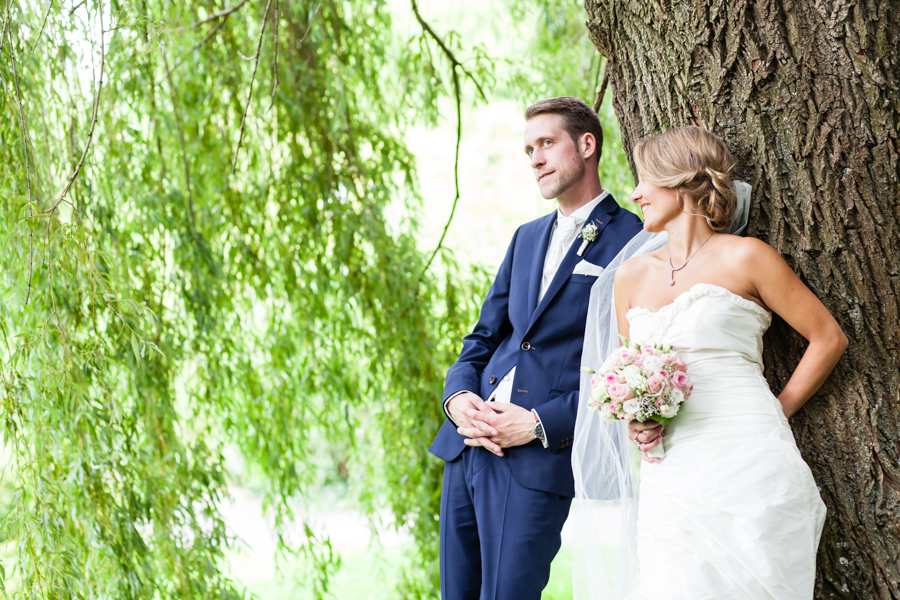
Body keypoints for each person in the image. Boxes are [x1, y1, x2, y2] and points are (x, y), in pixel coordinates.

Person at [576, 125, 847, 599]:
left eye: (645, 180)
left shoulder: (747, 258)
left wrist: (773, 411)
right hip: (672, 470)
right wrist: (636, 424)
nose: (635, 194)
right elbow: (627, 371)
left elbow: (828, 338)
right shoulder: (632, 276)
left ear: (681, 180)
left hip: (747, 457)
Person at [427, 96, 643, 600]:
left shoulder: (633, 238)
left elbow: (626, 367)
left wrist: (539, 423)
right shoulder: (525, 237)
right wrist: (456, 400)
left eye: (547, 143)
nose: (536, 160)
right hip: (466, 444)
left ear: (586, 145)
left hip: (536, 456)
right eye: (529, 150)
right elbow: (482, 338)